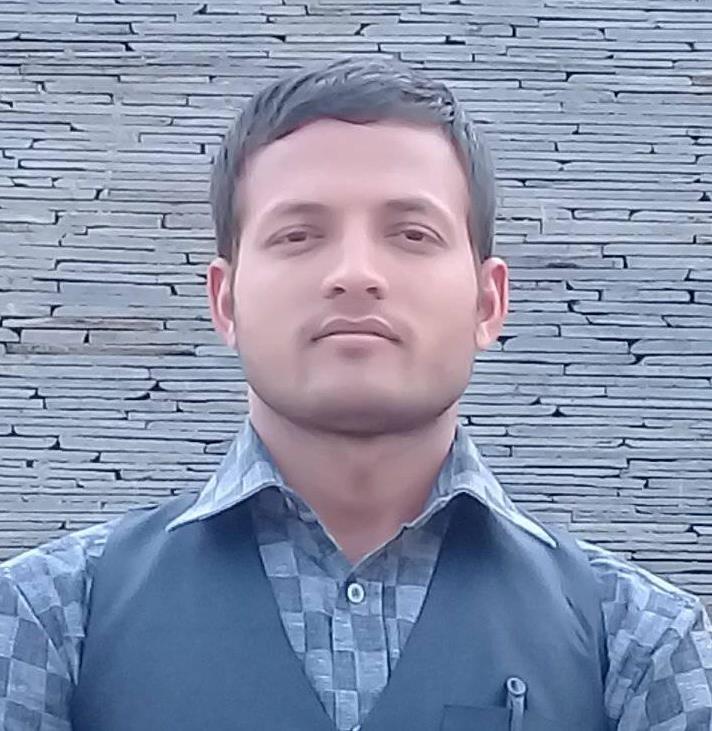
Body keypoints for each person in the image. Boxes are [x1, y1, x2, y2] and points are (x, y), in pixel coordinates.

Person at [1, 55, 711, 731]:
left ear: (487, 301)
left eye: (411, 233)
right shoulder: (51, 619)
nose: (355, 273)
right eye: (298, 235)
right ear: (226, 301)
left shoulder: (639, 642)